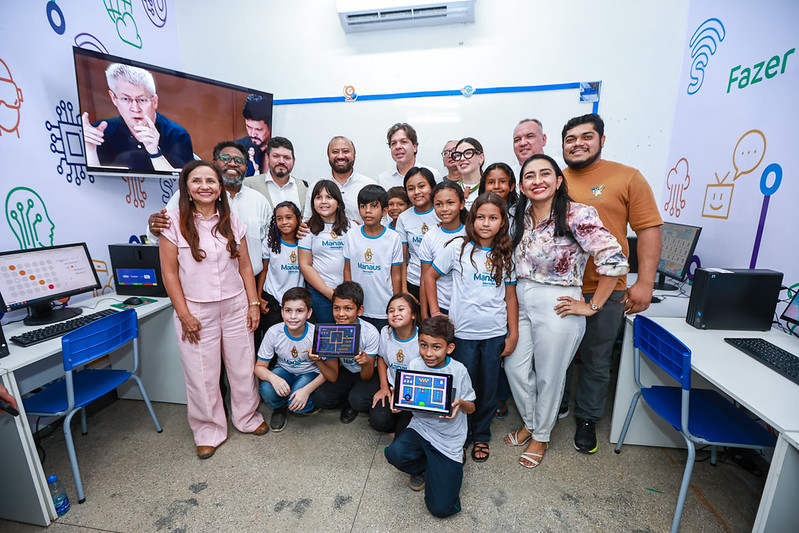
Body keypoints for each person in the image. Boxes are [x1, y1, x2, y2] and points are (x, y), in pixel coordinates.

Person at [504, 154, 628, 468]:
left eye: (545, 173)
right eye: (529, 176)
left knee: (550, 376)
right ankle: (532, 422)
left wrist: (592, 305)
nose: (537, 180)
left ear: (559, 181)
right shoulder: (518, 213)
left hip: (559, 302)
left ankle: (540, 436)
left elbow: (614, 260)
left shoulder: (577, 214)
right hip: (520, 297)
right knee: (515, 369)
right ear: (522, 185)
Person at [559, 113, 662, 454]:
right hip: (562, 286)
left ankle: (587, 418)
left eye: (586, 136)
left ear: (602, 140)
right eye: (570, 138)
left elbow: (648, 229)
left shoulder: (627, 177)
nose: (578, 143)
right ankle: (557, 403)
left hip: (607, 287)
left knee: (597, 357)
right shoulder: (552, 179)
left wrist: (644, 282)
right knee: (557, 353)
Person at [159, 160, 268, 459]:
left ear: (221, 188)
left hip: (235, 306)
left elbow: (245, 265)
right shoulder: (171, 222)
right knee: (202, 373)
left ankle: (247, 418)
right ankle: (208, 430)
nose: (205, 186)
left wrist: (253, 303)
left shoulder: (233, 222)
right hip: (195, 311)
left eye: (211, 181)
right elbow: (169, 274)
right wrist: (183, 315)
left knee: (243, 366)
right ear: (187, 189)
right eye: (197, 181)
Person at [423, 192, 518, 463]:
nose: (485, 223)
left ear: (502, 222)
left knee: (487, 388)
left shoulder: (506, 254)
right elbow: (430, 275)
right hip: (463, 335)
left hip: (493, 334)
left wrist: (513, 334)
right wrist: (435, 312)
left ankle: (481, 436)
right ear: (472, 219)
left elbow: (510, 297)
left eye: (493, 218)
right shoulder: (458, 248)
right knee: (463, 388)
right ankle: (460, 437)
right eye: (480, 217)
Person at [384, 316, 476, 518]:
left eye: (436, 347)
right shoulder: (415, 364)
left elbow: (472, 408)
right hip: (421, 429)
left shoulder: (459, 370)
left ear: (449, 348)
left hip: (448, 439)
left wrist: (461, 404)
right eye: (423, 345)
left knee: (440, 509)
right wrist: (396, 402)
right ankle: (427, 466)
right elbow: (407, 399)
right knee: (394, 454)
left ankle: (444, 465)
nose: (428, 353)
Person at [147, 142, 271, 284]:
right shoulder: (191, 195)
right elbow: (159, 234)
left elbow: (269, 248)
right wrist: (155, 227)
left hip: (251, 283)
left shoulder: (259, 200)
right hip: (203, 287)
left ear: (246, 167)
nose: (232, 164)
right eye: (225, 158)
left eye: (239, 161)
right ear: (214, 163)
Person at [81, 63, 193, 172]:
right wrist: (90, 150)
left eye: (142, 100)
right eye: (125, 99)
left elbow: (182, 185)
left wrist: (155, 152)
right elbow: (96, 184)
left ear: (154, 101)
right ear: (113, 98)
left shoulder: (176, 134)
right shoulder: (99, 133)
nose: (135, 108)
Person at [255, 287, 338, 431]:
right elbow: (259, 367)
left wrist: (306, 390)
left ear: (309, 313)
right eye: (288, 310)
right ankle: (279, 407)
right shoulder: (274, 332)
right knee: (266, 389)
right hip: (285, 370)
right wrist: (274, 378)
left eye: (299, 311)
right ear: (282, 312)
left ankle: (303, 403)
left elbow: (329, 373)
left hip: (310, 373)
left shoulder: (318, 334)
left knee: (299, 404)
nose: (293, 316)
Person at [478, 162, 519, 419]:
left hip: (513, 279)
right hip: (485, 282)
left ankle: (499, 397)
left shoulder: (520, 213)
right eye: (491, 182)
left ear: (512, 185)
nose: (496, 186)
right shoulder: (480, 210)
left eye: (502, 181)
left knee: (503, 345)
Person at [312, 282, 381, 424]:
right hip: (347, 371)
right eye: (336, 308)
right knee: (320, 398)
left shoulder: (371, 333)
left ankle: (353, 401)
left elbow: (366, 376)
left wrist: (367, 361)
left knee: (358, 402)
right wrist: (318, 360)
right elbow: (332, 376)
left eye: (348, 308)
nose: (341, 314)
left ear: (359, 310)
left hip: (368, 372)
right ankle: (349, 397)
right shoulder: (330, 332)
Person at [343, 185, 403, 332]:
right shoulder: (351, 235)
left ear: (384, 211)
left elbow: (396, 275)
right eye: (363, 206)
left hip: (384, 306)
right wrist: (349, 302)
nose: (368, 211)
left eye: (374, 206)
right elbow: (347, 270)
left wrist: (395, 306)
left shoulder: (393, 238)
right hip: (358, 308)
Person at [298, 180, 349, 325]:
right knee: (324, 339)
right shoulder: (307, 229)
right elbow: (305, 264)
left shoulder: (351, 227)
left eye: (329, 197)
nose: (323, 202)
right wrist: (327, 291)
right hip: (319, 294)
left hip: (347, 294)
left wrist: (345, 292)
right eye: (318, 197)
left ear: (338, 202)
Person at [369, 293, 421, 434]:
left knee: (405, 430)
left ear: (413, 315)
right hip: (392, 386)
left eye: (401, 309)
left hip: (414, 390)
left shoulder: (421, 338)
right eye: (391, 311)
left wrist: (404, 397)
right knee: (379, 421)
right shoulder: (386, 332)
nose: (395, 314)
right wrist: (384, 386)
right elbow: (381, 358)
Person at [418, 181, 467, 319]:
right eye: (439, 204)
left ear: (462, 204)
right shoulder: (430, 237)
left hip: (467, 307)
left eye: (450, 203)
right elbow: (425, 277)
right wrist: (425, 314)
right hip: (441, 307)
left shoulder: (471, 233)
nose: (444, 208)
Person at [302, 136, 375, 224]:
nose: (340, 156)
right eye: (335, 152)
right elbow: (307, 220)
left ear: (354, 155)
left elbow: (381, 221)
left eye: (346, 151)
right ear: (328, 156)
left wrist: (363, 230)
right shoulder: (315, 187)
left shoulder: (369, 185)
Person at [258, 201, 304, 333]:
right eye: (279, 219)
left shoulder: (304, 241)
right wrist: (258, 297)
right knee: (273, 334)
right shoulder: (270, 242)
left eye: (289, 217)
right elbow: (264, 270)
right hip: (273, 298)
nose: (284, 222)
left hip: (297, 299)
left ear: (299, 219)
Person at [396, 167, 439, 301]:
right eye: (411, 188)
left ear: (432, 187)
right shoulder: (404, 218)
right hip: (413, 282)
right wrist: (404, 289)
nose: (417, 192)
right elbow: (402, 258)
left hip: (441, 284)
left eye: (422, 186)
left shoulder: (442, 213)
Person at [243, 136, 307, 212]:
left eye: (287, 157)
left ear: (294, 160)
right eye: (276, 156)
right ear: (267, 158)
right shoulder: (249, 185)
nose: (281, 161)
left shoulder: (305, 187)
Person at [377, 123, 440, 190]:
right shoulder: (382, 179)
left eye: (403, 142)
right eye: (393, 143)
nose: (398, 147)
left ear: (414, 147)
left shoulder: (433, 175)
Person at [235, 94, 272, 176]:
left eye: (258, 129)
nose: (252, 134)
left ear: (270, 126)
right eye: (248, 127)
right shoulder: (238, 148)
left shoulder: (280, 150)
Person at [450, 137, 485, 211]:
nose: (462, 158)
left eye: (468, 153)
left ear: (481, 158)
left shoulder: (490, 187)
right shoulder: (451, 189)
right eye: (458, 155)